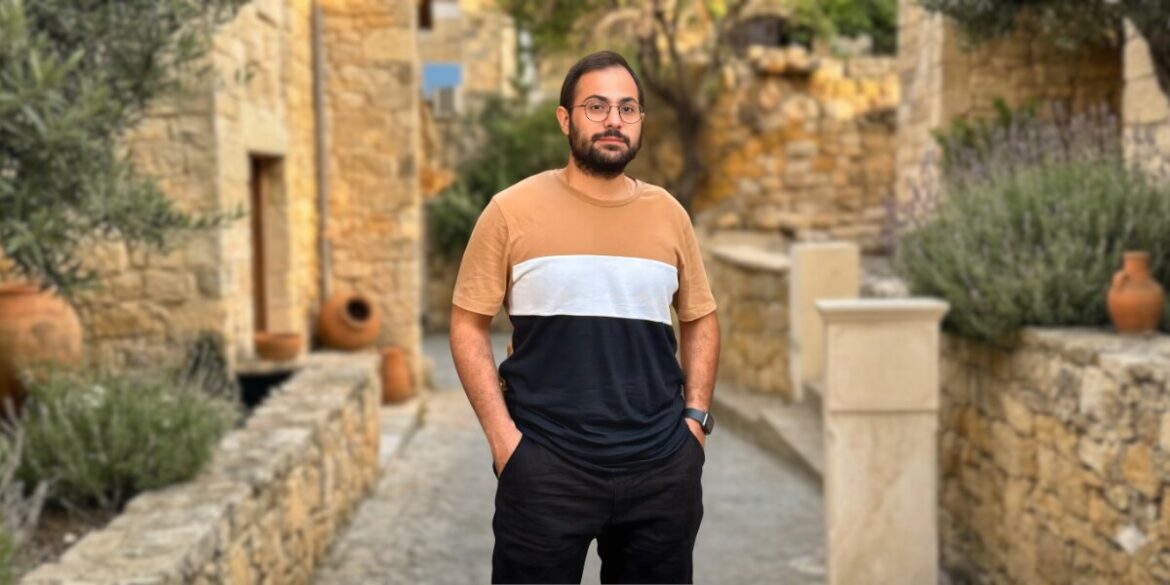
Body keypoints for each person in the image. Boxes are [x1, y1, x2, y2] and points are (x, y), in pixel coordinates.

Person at [449, 50, 721, 585]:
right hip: (545, 468)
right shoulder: (510, 211)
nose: (614, 120)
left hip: (661, 469)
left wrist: (695, 425)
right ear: (565, 118)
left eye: (627, 108)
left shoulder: (669, 214)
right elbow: (466, 325)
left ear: (641, 120)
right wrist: (505, 441)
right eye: (596, 106)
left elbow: (701, 319)